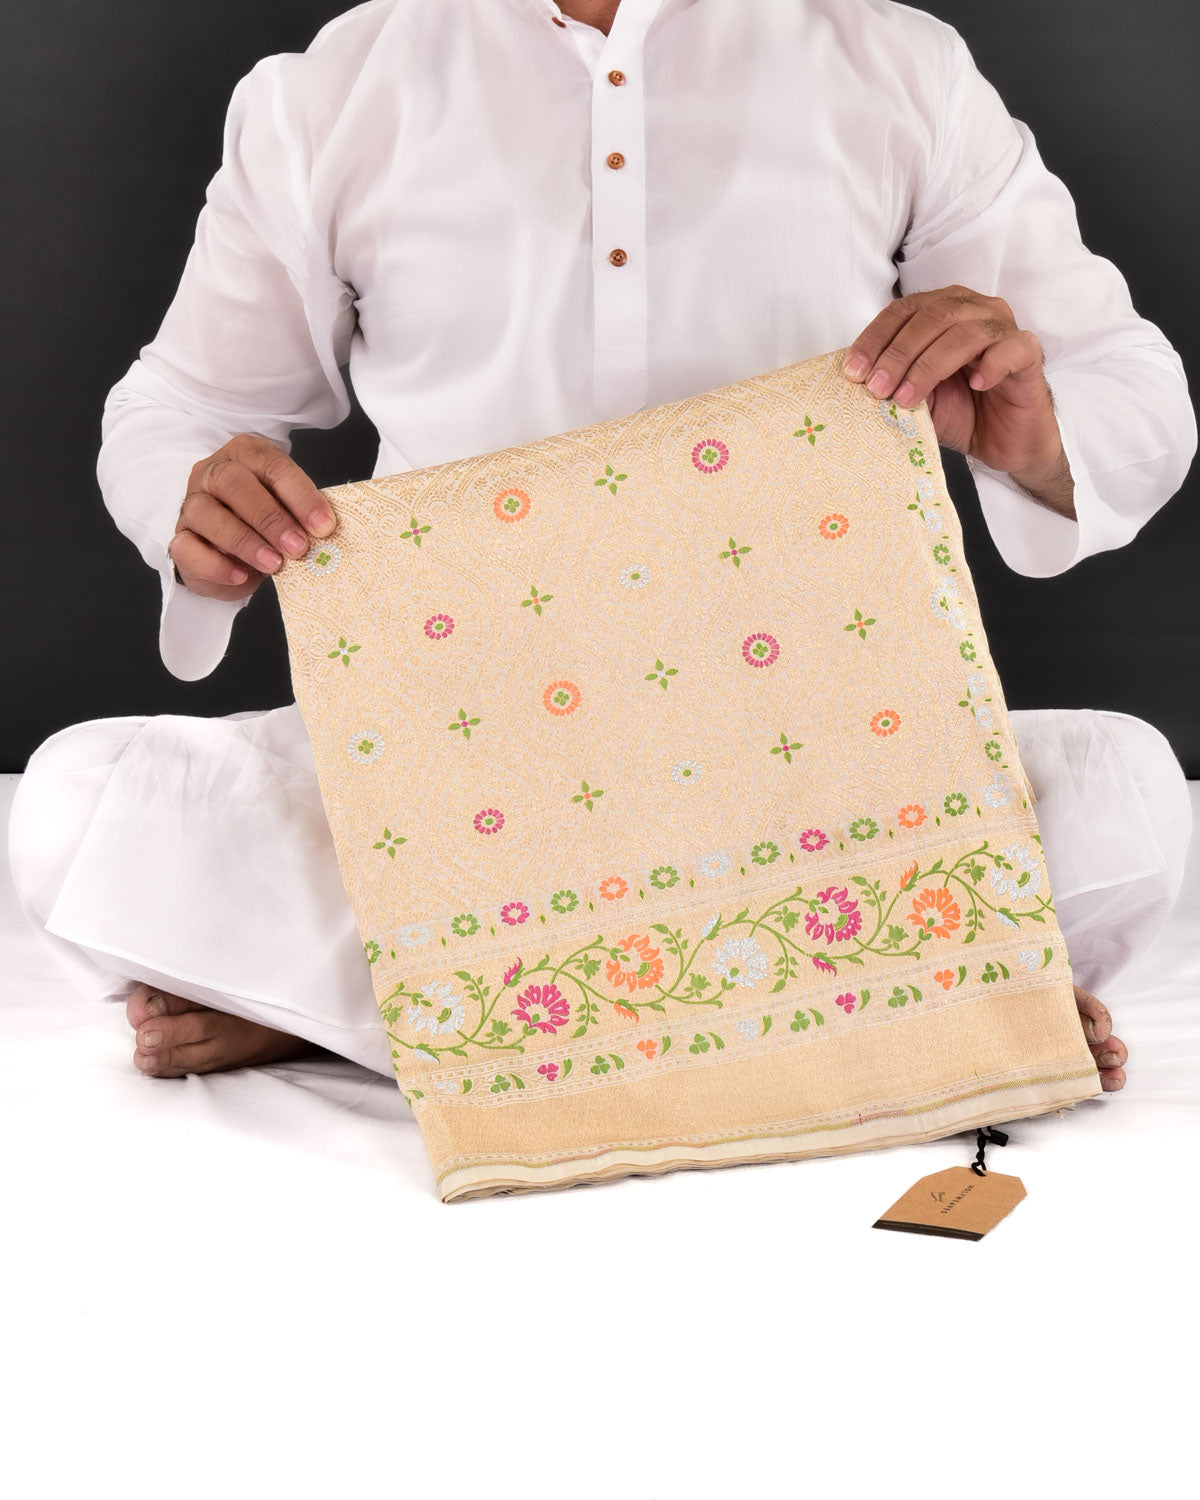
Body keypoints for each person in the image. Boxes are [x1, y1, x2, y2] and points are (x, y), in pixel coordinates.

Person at [8, 0, 1196, 1097]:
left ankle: (399, 1013)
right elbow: (180, 402)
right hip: (452, 769)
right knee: (73, 808)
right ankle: (893, 997)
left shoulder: (893, 63)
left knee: (1128, 790)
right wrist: (193, 498)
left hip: (820, 760)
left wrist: (1040, 438)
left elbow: (1128, 382)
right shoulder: (342, 85)